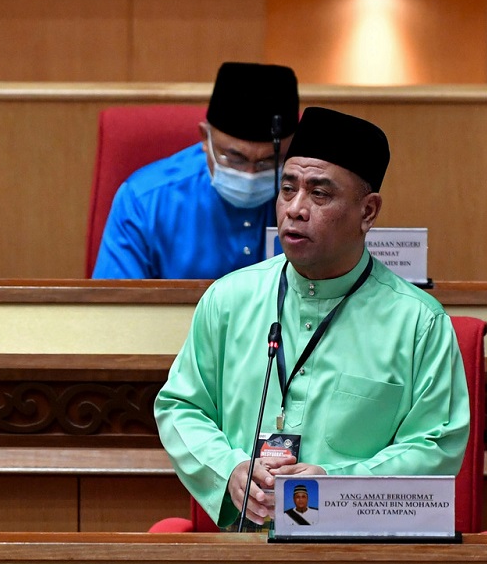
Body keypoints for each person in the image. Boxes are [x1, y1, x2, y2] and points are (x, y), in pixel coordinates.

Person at [155, 107, 470, 529]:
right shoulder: (228, 300)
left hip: (361, 557)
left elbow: (437, 445)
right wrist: (228, 469)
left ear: (368, 212)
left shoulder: (419, 324)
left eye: (319, 194)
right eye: (288, 189)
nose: (295, 209)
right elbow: (180, 406)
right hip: (242, 552)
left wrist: (336, 486)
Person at [91, 61, 299, 279]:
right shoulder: (145, 200)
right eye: (234, 158)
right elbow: (117, 303)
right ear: (205, 139)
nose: (250, 174)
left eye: (268, 162)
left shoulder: (314, 200)